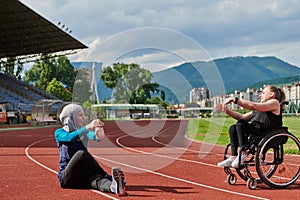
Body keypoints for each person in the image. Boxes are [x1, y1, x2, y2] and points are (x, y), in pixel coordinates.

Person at [55, 103, 127, 196]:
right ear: (71, 118)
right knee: (81, 154)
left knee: (99, 181)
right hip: (68, 178)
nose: (83, 118)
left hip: (83, 176)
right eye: (80, 115)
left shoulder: (83, 133)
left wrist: (99, 132)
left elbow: (96, 137)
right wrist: (88, 127)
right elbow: (70, 137)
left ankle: (114, 187)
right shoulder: (59, 133)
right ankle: (106, 175)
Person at [216, 85, 286, 168]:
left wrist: (235, 100)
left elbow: (253, 106)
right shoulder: (261, 107)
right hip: (257, 132)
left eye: (263, 93)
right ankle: (234, 156)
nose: (260, 95)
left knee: (241, 124)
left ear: (271, 94)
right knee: (233, 128)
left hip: (265, 134)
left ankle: (243, 153)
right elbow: (242, 117)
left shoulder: (274, 103)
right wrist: (226, 110)